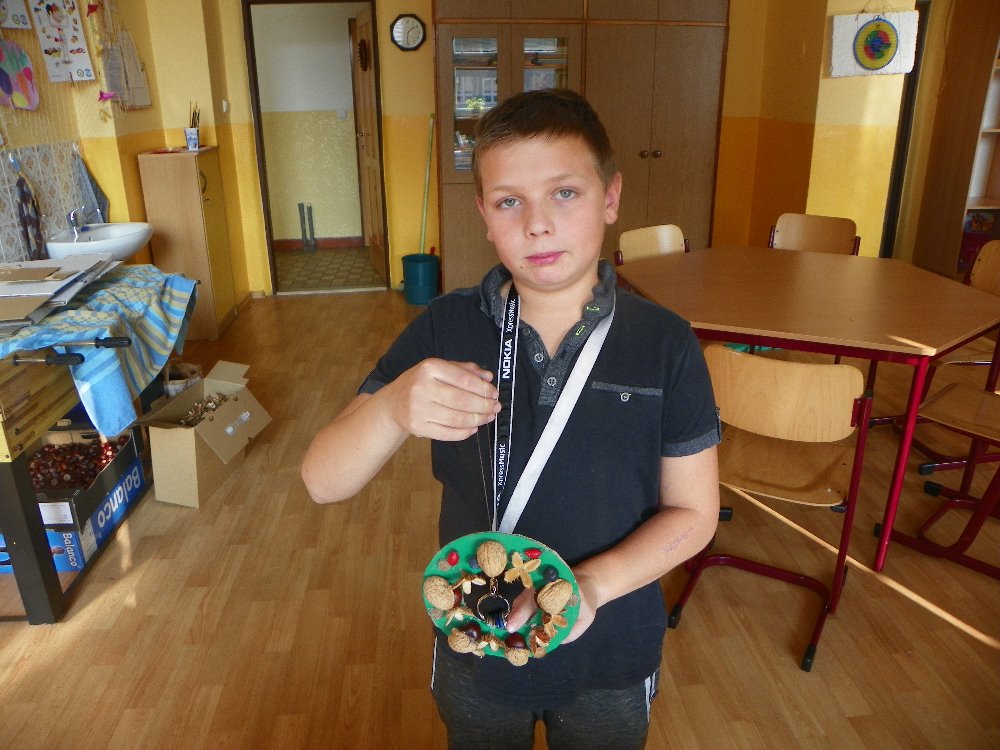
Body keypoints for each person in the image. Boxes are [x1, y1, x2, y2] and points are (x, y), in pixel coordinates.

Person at [301, 88, 721, 750]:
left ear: (611, 196)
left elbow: (695, 514)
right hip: (477, 639)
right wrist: (393, 405)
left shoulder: (665, 344)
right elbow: (323, 480)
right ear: (484, 215)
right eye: (508, 202)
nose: (537, 225)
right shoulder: (445, 328)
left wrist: (591, 586)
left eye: (565, 193)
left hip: (610, 648)